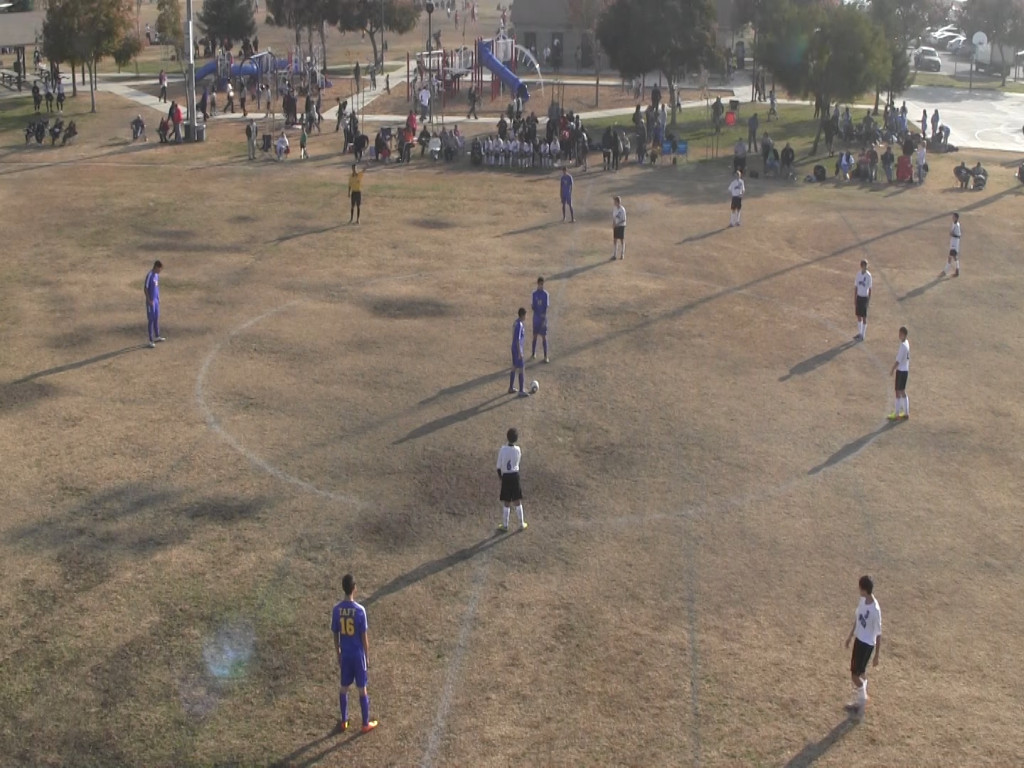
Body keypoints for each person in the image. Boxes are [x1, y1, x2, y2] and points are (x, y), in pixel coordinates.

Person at [331, 574, 379, 734]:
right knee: (362, 688)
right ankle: (365, 723)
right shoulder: (360, 611)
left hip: (345, 654)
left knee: (344, 687)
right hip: (358, 656)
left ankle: (344, 721)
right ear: (354, 588)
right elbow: (364, 637)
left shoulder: (336, 610)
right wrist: (367, 655)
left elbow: (335, 634)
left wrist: (338, 651)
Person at [844, 575, 882, 714]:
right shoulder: (863, 600)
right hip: (859, 640)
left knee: (855, 676)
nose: (858, 590)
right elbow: (858, 619)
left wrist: (877, 655)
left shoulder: (875, 610)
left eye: (860, 588)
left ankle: (861, 701)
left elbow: (878, 633)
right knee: (861, 673)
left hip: (865, 644)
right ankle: (861, 700)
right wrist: (850, 636)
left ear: (865, 590)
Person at [496, 427, 527, 531]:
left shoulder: (502, 449)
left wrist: (501, 478)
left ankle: (505, 525)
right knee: (517, 500)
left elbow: (499, 466)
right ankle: (521, 523)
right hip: (515, 476)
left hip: (506, 477)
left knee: (506, 501)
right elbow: (517, 463)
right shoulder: (518, 450)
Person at [888, 326, 910, 420]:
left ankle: (896, 414)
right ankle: (906, 412)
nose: (899, 335)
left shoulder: (903, 346)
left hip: (901, 371)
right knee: (902, 391)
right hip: (906, 370)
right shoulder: (907, 343)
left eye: (900, 334)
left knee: (898, 392)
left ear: (904, 334)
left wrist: (892, 369)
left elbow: (898, 361)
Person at [144, 260, 166, 348]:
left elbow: (157, 287)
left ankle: (157, 336)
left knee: (156, 317)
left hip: (156, 301)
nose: (160, 271)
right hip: (151, 302)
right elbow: (145, 288)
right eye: (160, 269)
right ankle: (150, 340)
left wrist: (158, 297)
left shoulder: (157, 276)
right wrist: (149, 300)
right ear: (156, 267)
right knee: (151, 320)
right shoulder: (149, 275)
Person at [530, 277, 550, 363]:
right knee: (534, 335)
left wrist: (542, 316)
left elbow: (546, 307)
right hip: (536, 318)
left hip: (542, 319)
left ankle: (546, 356)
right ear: (537, 284)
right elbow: (533, 306)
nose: (541, 286)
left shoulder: (546, 294)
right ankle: (533, 353)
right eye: (540, 284)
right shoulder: (534, 294)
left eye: (542, 284)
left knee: (544, 337)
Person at [853, 259, 872, 341]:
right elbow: (856, 286)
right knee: (858, 315)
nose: (866, 267)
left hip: (864, 297)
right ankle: (860, 333)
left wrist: (868, 300)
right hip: (859, 297)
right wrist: (855, 298)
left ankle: (863, 335)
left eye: (866, 265)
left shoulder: (868, 276)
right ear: (861, 266)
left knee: (864, 316)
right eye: (865, 265)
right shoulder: (858, 275)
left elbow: (870, 289)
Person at [943, 212, 961, 278]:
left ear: (956, 218)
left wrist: (952, 234)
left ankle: (945, 271)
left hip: (955, 243)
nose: (952, 218)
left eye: (953, 217)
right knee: (954, 257)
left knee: (950, 256)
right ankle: (957, 270)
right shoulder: (954, 223)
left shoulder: (957, 225)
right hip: (953, 243)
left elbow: (958, 235)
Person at [611, 195, 626, 260]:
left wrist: (617, 224)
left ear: (617, 202)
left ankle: (622, 254)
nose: (614, 202)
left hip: (621, 226)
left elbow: (624, 219)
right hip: (616, 226)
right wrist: (613, 224)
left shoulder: (622, 210)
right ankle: (614, 255)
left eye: (615, 201)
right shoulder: (614, 209)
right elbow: (614, 217)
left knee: (621, 240)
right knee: (615, 239)